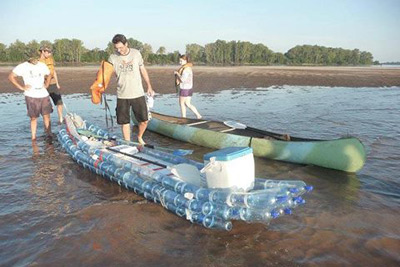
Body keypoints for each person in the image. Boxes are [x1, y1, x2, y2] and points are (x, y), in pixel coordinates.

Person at [107, 34, 155, 144]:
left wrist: (149, 86)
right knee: (124, 122)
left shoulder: (136, 54)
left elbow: (143, 70)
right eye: (116, 48)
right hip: (122, 94)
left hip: (137, 92)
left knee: (144, 120)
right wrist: (99, 86)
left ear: (126, 44)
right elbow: (106, 73)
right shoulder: (112, 57)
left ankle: (139, 137)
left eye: (121, 47)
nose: (119, 50)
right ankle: (127, 143)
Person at [8, 50, 53, 140]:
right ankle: (33, 138)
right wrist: (21, 87)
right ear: (28, 58)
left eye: (36, 58)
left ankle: (49, 134)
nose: (34, 60)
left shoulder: (42, 65)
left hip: (43, 94)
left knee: (47, 115)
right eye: (32, 58)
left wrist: (47, 84)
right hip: (31, 95)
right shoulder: (23, 66)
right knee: (33, 117)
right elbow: (11, 76)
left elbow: (49, 74)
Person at [39, 45, 64, 124]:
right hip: (43, 85)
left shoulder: (51, 60)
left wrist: (57, 83)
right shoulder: (38, 62)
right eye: (48, 52)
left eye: (50, 52)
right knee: (46, 106)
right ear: (43, 51)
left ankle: (60, 119)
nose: (49, 54)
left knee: (59, 102)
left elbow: (54, 71)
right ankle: (47, 124)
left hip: (52, 83)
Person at [174, 55, 202, 119]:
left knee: (181, 103)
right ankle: (198, 115)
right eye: (179, 61)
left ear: (185, 61)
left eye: (181, 61)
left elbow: (182, 80)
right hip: (189, 88)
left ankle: (183, 118)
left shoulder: (186, 69)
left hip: (185, 89)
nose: (180, 62)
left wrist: (177, 73)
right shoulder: (188, 68)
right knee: (187, 103)